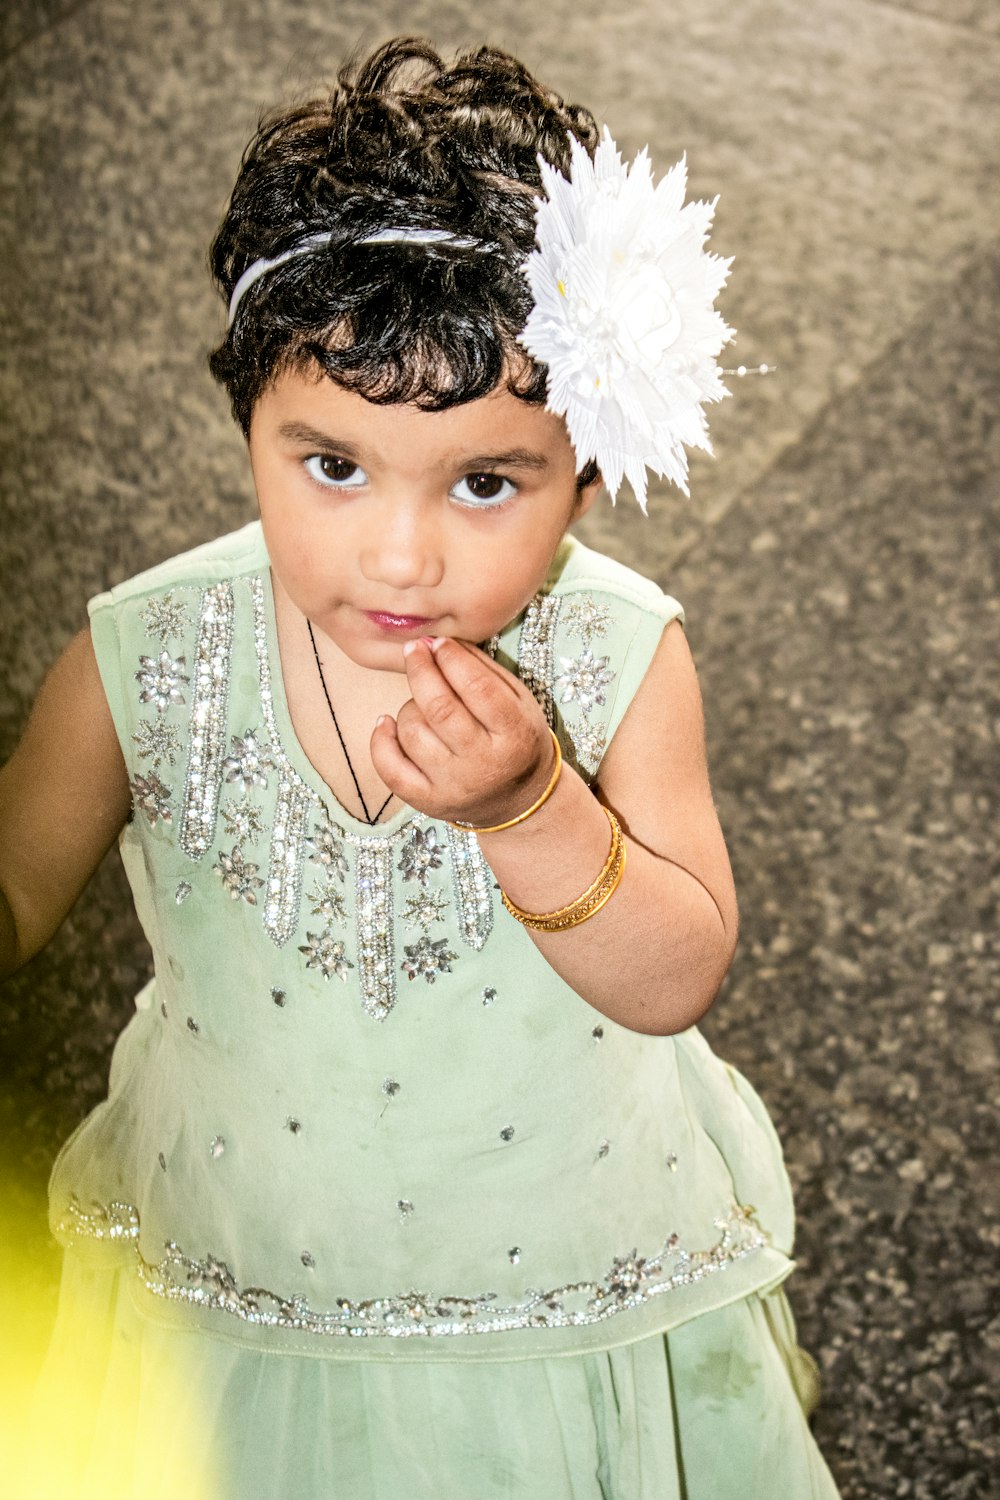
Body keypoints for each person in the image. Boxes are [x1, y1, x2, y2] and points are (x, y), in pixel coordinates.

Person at [3, 36, 840, 1499]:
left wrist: (532, 810)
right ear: (249, 428)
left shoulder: (621, 657)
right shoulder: (142, 658)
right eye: (331, 465)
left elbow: (674, 977)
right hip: (235, 1283)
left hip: (561, 1286)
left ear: (588, 466)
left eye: (483, 482)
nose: (399, 555)